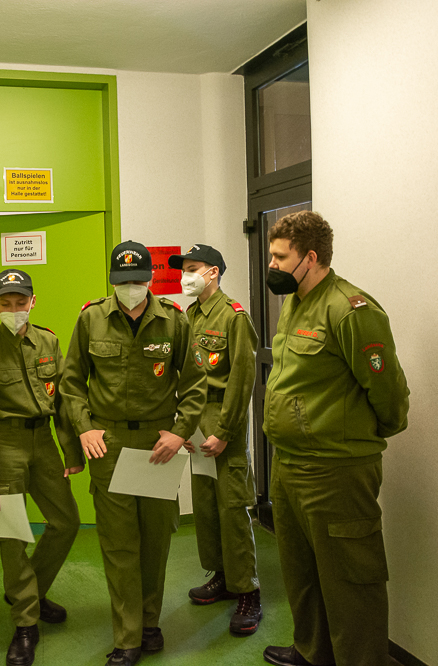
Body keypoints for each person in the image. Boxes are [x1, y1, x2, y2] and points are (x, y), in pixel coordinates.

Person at [259, 212, 410, 666]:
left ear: (310, 258)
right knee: (301, 573)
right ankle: (312, 652)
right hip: (289, 463)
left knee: (350, 582)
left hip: (335, 471)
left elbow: (388, 392)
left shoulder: (350, 309)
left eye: (279, 257)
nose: (272, 265)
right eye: (271, 255)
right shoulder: (296, 302)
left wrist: (354, 439)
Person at [60, 240, 207, 666]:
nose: (131, 289)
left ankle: (149, 622)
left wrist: (180, 433)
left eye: (138, 281)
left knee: (155, 540)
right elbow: (71, 383)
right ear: (112, 281)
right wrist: (84, 427)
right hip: (110, 445)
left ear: (150, 279)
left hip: (158, 445)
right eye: (123, 282)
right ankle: (128, 637)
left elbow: (195, 384)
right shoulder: (91, 319)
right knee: (120, 544)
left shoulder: (174, 321)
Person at [0, 269, 84, 666]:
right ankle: (25, 623)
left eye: (21, 302)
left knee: (66, 521)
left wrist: (71, 452)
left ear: (33, 301)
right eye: (6, 303)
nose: (14, 309)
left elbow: (64, 400)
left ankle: (28, 592)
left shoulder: (49, 341)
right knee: (11, 535)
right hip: (4, 446)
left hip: (43, 442)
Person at [168, 244, 262, 635]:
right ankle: (221, 575)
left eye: (193, 268)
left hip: (224, 420)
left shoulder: (234, 316)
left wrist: (224, 432)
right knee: (206, 506)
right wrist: (184, 426)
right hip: (196, 419)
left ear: (213, 272)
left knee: (232, 508)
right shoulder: (189, 316)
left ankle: (248, 591)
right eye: (184, 269)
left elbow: (242, 378)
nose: (186, 276)